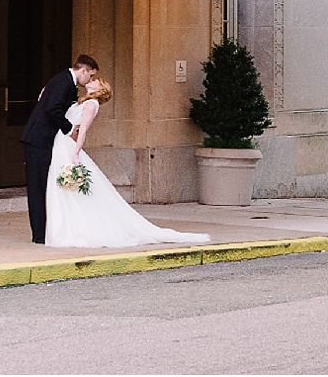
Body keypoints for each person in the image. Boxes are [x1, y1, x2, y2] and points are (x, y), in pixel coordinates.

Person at [46, 79, 210, 249]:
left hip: (68, 146)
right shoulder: (83, 101)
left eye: (96, 81)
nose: (91, 80)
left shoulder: (92, 104)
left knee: (71, 187)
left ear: (101, 88)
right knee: (63, 188)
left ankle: (77, 228)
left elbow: (84, 129)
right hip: (61, 144)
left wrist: (76, 152)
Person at [21, 55, 97, 244]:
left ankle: (44, 230)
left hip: (44, 140)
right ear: (83, 70)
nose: (89, 80)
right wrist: (69, 128)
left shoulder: (66, 82)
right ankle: (39, 234)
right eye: (91, 75)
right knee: (37, 187)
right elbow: (52, 108)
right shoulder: (63, 82)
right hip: (38, 139)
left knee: (43, 185)